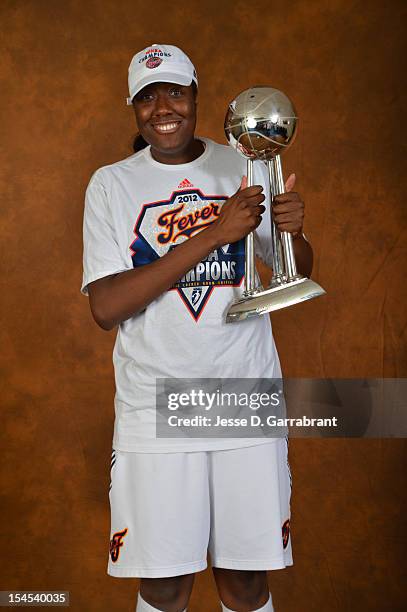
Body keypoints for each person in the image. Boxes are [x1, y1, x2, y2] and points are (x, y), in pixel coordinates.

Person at [81, 43, 313, 612]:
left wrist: (294, 235)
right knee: (164, 584)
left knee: (246, 584)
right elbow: (108, 306)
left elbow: (295, 275)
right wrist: (212, 233)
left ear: (196, 98)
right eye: (148, 96)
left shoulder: (239, 164)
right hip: (155, 405)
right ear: (133, 106)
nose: (164, 107)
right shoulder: (111, 185)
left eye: (176, 93)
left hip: (245, 394)